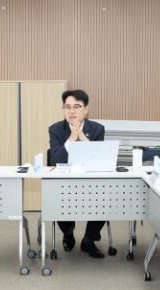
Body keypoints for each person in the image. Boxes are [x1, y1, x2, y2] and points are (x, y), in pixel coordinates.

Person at [48, 89, 107, 258]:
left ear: (86, 109)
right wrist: (71, 139)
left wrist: (81, 136)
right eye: (67, 107)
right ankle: (68, 232)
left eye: (76, 106)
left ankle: (89, 240)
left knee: (105, 198)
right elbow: (56, 159)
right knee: (57, 199)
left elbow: (99, 159)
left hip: (91, 183)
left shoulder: (97, 129)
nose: (71, 111)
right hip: (65, 183)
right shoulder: (55, 129)